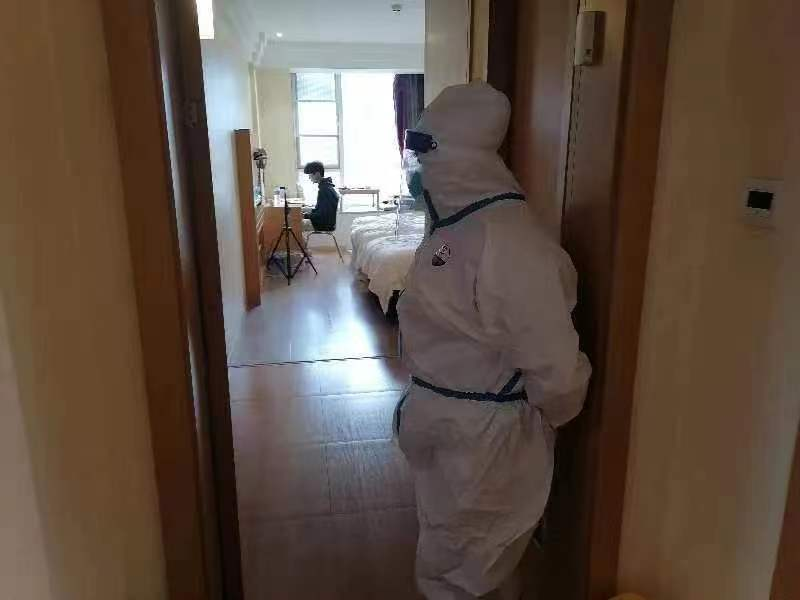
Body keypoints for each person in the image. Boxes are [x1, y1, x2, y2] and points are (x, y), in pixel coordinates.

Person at [395, 82, 591, 599]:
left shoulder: (511, 244)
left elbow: (556, 370)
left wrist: (547, 414)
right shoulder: (452, 229)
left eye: (425, 152)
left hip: (484, 441)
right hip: (448, 425)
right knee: (453, 550)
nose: (417, 167)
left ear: (458, 157)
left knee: (471, 564)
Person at [302, 161, 339, 233]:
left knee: (296, 223)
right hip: (328, 222)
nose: (309, 177)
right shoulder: (327, 186)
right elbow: (321, 210)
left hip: (324, 225)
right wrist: (307, 213)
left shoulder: (324, 190)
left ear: (317, 173)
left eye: (310, 175)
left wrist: (305, 216)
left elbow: (322, 215)